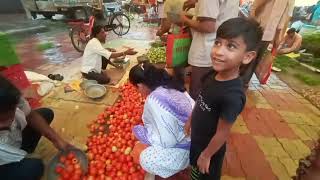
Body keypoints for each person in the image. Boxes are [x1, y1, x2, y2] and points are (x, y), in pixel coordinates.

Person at [184, 17, 263, 180]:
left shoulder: (233, 96)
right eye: (217, 42)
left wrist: (206, 155)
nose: (218, 51)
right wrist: (191, 119)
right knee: (194, 172)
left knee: (204, 175)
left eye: (231, 46)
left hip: (210, 151)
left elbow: (223, 133)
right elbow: (200, 101)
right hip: (198, 141)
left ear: (247, 57)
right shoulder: (212, 75)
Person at [129, 63, 194, 179]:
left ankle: (182, 166)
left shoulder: (153, 99)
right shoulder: (172, 84)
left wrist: (146, 141)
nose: (138, 91)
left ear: (140, 85)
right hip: (197, 139)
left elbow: (166, 141)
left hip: (188, 150)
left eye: (136, 88)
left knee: (143, 156)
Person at [0, 75, 72, 180]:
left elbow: (31, 115)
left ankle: (24, 151)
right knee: (34, 168)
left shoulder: (11, 97)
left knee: (45, 114)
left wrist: (56, 140)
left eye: (9, 116)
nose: (6, 123)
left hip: (12, 140)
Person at [179, 0, 239, 100]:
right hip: (221, 47)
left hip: (207, 50)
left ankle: (198, 114)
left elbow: (208, 26)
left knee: (197, 94)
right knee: (213, 92)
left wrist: (184, 19)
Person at [240, 0, 295, 87]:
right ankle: (239, 79)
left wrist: (277, 36)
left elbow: (282, 19)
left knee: (257, 58)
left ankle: (245, 81)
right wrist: (252, 21)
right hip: (257, 28)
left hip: (269, 33)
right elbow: (254, 7)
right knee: (247, 55)